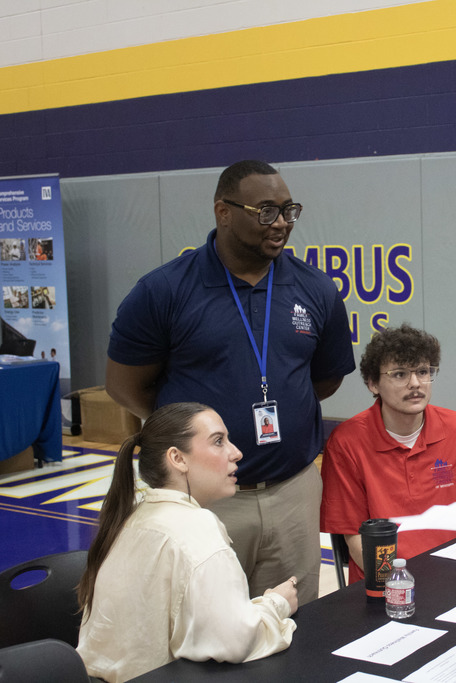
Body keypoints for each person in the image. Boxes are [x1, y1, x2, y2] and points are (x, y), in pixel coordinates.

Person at [105, 160, 356, 603]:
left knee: (293, 630)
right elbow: (125, 387)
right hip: (203, 499)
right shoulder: (163, 291)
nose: (281, 224)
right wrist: (193, 435)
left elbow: (324, 379)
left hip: (292, 491)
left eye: (289, 211)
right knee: (202, 632)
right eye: (266, 212)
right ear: (223, 212)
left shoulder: (316, 289)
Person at [76, 402, 298, 683]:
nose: (236, 452)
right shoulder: (197, 528)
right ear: (178, 459)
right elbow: (235, 642)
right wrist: (276, 604)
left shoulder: (135, 513)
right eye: (218, 441)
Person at [321, 323, 456, 583]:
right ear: (373, 383)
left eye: (423, 372)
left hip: (453, 578)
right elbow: (354, 537)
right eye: (400, 374)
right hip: (385, 585)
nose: (415, 384)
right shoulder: (346, 442)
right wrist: (400, 587)